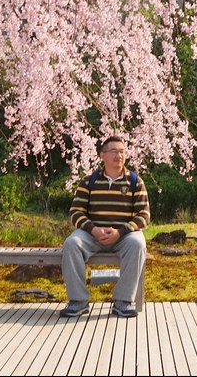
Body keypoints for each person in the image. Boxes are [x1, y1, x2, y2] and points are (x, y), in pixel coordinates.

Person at [60, 135, 150, 318]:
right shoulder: (89, 182)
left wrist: (121, 232)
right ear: (103, 155)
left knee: (138, 244)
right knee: (71, 244)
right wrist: (93, 229)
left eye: (123, 151)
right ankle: (78, 301)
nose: (119, 155)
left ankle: (123, 301)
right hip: (92, 235)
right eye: (114, 151)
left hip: (123, 236)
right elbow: (76, 212)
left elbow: (144, 216)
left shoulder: (135, 182)